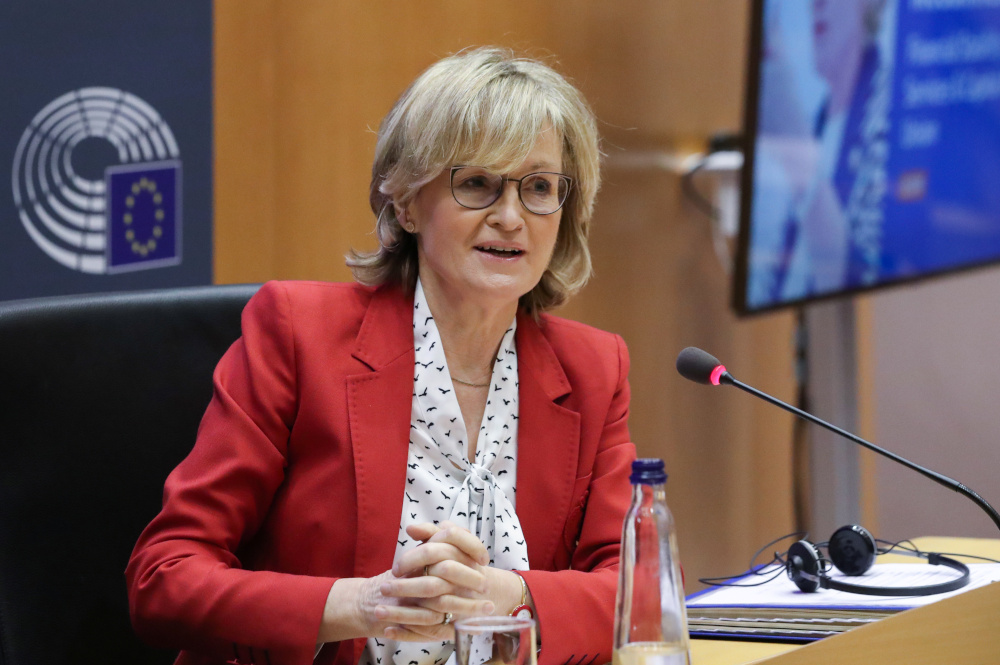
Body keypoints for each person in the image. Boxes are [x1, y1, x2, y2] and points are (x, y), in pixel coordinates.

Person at [127, 47, 637, 665]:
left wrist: (513, 597)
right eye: (477, 183)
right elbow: (165, 576)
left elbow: (639, 593)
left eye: (538, 188)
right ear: (406, 203)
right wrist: (361, 605)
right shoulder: (298, 334)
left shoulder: (593, 368)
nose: (511, 217)